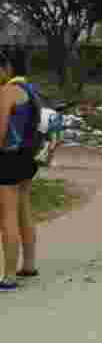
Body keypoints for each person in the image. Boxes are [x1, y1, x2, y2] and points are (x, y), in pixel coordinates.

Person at [0, 47, 44, 290]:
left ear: (7, 68)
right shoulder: (30, 89)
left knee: (7, 217)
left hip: (8, 160)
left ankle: (8, 276)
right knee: (24, 209)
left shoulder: (7, 92)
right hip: (28, 158)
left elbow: (0, 132)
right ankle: (28, 265)